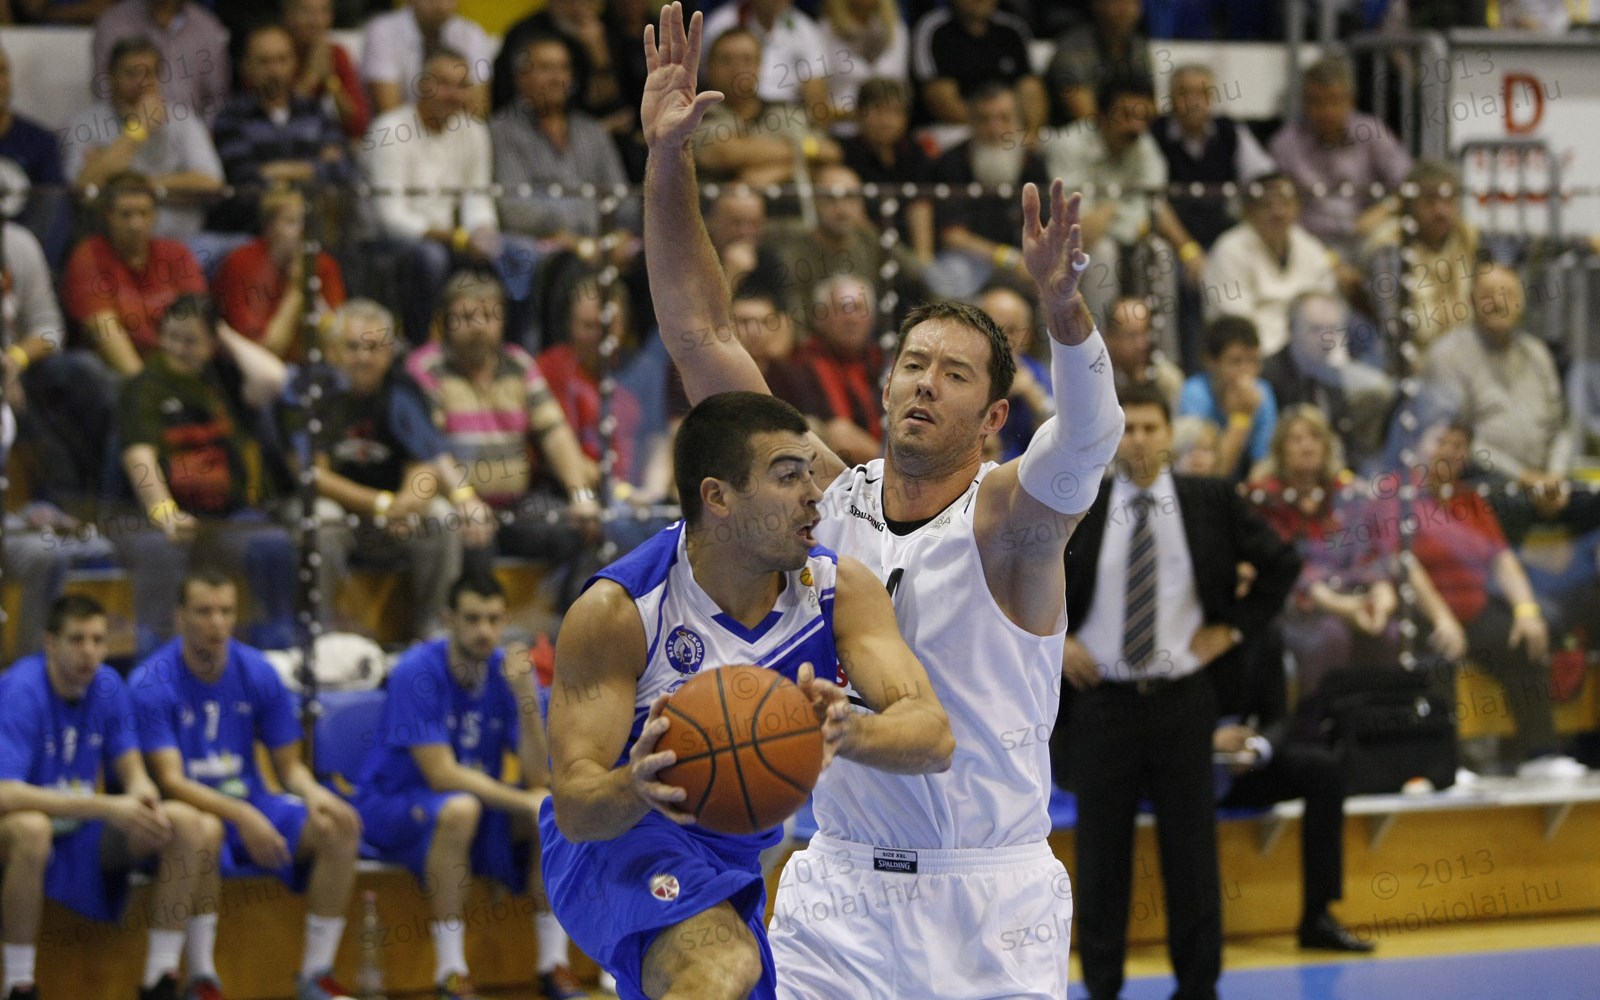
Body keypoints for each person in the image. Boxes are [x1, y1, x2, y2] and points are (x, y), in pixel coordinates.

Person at [639, 7, 1124, 995]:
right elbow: (700, 336)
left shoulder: (1009, 523)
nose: (923, 383)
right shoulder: (820, 495)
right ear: (884, 382)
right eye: (912, 363)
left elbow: (1087, 439)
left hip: (986, 898)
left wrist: (1063, 309)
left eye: (953, 373)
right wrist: (667, 159)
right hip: (839, 894)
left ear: (993, 415)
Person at [542, 389, 954, 1000]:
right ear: (718, 497)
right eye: (788, 477)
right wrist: (635, 785)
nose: (815, 494)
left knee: (735, 976)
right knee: (722, 965)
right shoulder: (621, 611)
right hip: (618, 840)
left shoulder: (838, 589)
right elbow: (575, 811)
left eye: (811, 473)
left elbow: (934, 736)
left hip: (733, 853)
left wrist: (849, 729)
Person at [1057, 382, 1301, 1000]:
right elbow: (1028, 577)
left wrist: (1232, 630)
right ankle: (1101, 988)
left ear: (1170, 434)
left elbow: (1282, 564)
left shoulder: (1209, 499)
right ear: (1113, 436)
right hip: (1103, 700)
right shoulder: (1081, 502)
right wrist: (1056, 640)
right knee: (1101, 856)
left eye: (1151, 428)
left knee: (1191, 852)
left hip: (1183, 697)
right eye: (1129, 429)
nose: (1139, 440)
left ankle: (1198, 988)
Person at [129, 570, 362, 1000]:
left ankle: (316, 975)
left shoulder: (257, 670)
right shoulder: (151, 680)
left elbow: (290, 767)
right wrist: (242, 814)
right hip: (191, 812)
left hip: (251, 800)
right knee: (204, 830)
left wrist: (316, 794)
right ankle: (201, 977)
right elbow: (170, 781)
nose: (217, 623)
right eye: (204, 611)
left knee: (340, 826)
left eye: (226, 611)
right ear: (180, 618)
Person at [353, 574, 582, 1000]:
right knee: (463, 809)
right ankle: (451, 971)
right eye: (473, 619)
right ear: (449, 619)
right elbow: (441, 774)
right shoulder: (416, 671)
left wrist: (526, 697)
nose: (484, 631)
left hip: (471, 806)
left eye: (493, 620)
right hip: (392, 803)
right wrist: (524, 801)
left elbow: (537, 776)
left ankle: (554, 964)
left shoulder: (505, 673)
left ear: (505, 620)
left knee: (547, 812)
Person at [0, 595, 224, 1000]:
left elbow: (133, 771)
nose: (88, 651)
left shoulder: (107, 684)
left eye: (98, 640)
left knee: (187, 822)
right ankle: (18, 983)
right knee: (33, 829)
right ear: (50, 643)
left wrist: (144, 800)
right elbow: (5, 792)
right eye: (76, 639)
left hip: (81, 827)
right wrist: (105, 806)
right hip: (22, 829)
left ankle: (160, 979)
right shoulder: (21, 688)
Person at [114, 292, 296, 654]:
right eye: (171, 337)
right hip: (154, 520)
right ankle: (158, 657)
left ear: (212, 343)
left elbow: (274, 379)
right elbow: (139, 457)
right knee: (161, 550)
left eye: (191, 340)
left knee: (274, 544)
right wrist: (163, 510)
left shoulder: (223, 379)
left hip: (225, 519)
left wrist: (222, 332)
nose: (178, 348)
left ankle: (276, 652)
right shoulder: (143, 386)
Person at [404, 269, 599, 605]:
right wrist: (464, 498)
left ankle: (566, 625)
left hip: (516, 506)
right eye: (466, 317)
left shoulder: (519, 364)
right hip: (459, 507)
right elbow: (430, 448)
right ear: (445, 322)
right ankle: (471, 632)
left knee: (582, 526)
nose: (478, 326)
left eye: (488, 316)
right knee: (472, 538)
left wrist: (580, 494)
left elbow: (554, 433)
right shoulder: (425, 368)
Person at [293, 298, 463, 640]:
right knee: (322, 517)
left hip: (392, 519)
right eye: (353, 347)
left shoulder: (404, 389)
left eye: (373, 348)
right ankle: (317, 634)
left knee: (441, 516)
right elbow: (314, 475)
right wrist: (382, 503)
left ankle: (435, 632)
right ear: (332, 351)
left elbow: (425, 462)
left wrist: (410, 501)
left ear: (388, 353)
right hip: (342, 514)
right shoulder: (313, 392)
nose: (364, 358)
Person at [1420, 265, 1571, 492]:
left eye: (1508, 295)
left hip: (1545, 484)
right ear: (1471, 300)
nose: (1499, 303)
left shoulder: (1537, 353)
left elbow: (1560, 428)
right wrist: (1523, 477)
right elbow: (1452, 442)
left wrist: (1555, 476)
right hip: (1481, 484)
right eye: (1488, 295)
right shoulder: (1448, 355)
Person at [62, 35, 225, 243]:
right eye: (131, 74)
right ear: (111, 78)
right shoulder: (85, 125)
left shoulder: (183, 120)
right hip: (111, 245)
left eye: (149, 73)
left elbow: (212, 184)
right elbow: (82, 191)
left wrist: (136, 186)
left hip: (183, 243)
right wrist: (137, 130)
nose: (141, 83)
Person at [207, 23, 353, 234]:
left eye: (282, 60)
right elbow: (244, 178)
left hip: (314, 227)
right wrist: (313, 168)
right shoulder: (230, 118)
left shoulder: (314, 111)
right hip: (252, 231)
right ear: (246, 67)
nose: (274, 70)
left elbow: (342, 169)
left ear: (295, 63)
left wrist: (273, 170)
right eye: (264, 62)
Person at [61, 171, 207, 375]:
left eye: (143, 213)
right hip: (117, 370)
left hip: (175, 365)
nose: (136, 224)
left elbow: (197, 322)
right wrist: (145, 387)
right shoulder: (89, 256)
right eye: (126, 214)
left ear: (155, 215)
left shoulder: (176, 253)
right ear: (108, 215)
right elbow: (104, 330)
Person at [1268, 57, 1412, 262]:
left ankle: (1386, 284)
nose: (1327, 110)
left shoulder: (1372, 132)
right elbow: (1276, 202)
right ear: (1305, 103)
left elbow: (1410, 183)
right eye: (1317, 102)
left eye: (1334, 100)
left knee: (1390, 243)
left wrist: (1384, 209)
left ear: (1350, 100)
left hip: (1365, 233)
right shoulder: (1285, 144)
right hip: (1308, 241)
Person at [925, 83, 1051, 298]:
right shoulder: (951, 162)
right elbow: (952, 236)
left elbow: (1046, 225)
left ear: (1018, 121)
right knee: (951, 273)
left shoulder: (1032, 163)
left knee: (1054, 276)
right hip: (972, 259)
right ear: (971, 123)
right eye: (984, 119)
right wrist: (1008, 258)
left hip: (1025, 261)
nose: (994, 129)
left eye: (1004, 118)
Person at [1201, 173, 1340, 358]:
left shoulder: (1310, 246)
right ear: (1248, 211)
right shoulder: (1228, 249)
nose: (1278, 212)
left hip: (1305, 349)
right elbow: (1235, 320)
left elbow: (1325, 307)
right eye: (1267, 205)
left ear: (1297, 208)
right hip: (1254, 353)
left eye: (1285, 203)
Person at [1362, 158, 1479, 366]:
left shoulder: (1468, 238)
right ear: (1410, 204)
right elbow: (1392, 327)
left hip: (1469, 359)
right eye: (1430, 201)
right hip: (1415, 364)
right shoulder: (1390, 247)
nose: (1440, 211)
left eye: (1448, 200)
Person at [689, 28, 841, 187]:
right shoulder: (697, 114)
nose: (737, 68)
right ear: (709, 67)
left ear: (759, 66)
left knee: (839, 179)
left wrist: (780, 172)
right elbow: (724, 153)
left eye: (747, 60)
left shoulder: (781, 111)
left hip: (786, 194)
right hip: (716, 198)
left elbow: (830, 151)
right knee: (743, 199)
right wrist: (803, 151)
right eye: (726, 60)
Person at [210, 185, 347, 360]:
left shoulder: (324, 264)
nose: (302, 231)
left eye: (307, 222)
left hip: (312, 365)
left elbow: (338, 339)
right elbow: (262, 351)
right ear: (269, 227)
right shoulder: (242, 262)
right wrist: (297, 289)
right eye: (291, 222)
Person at [910, 0, 1047, 131]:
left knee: (1031, 86)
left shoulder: (1013, 28)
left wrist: (1028, 134)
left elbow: (1031, 87)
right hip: (955, 127)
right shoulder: (933, 28)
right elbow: (937, 96)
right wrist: (987, 125)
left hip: (1009, 125)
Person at [91, 0, 231, 125]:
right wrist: (136, 127)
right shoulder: (113, 23)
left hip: (188, 133)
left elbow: (217, 99)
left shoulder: (207, 27)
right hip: (119, 129)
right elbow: (104, 91)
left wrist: (200, 133)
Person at [1178, 316, 1278, 482]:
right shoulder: (1194, 394)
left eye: (1252, 361)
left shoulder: (1262, 393)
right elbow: (1211, 474)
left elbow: (1264, 463)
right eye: (1235, 362)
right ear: (1211, 361)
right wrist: (1241, 416)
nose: (1246, 372)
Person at [360, 0, 492, 116]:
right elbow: (388, 109)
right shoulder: (383, 30)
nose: (441, 6)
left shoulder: (471, 34)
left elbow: (479, 109)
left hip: (453, 128)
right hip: (400, 129)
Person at [702, 0, 831, 115]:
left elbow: (817, 96)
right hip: (729, 110)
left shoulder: (805, 30)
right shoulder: (720, 24)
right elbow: (704, 78)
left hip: (787, 114)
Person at [978, 282, 1054, 461]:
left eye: (1011, 330)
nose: (1002, 338)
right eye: (992, 326)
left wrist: (1032, 395)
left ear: (1027, 336)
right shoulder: (959, 368)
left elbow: (1060, 443)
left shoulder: (1038, 374)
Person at [1045, 0, 1150, 124]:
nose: (1126, 10)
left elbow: (1149, 104)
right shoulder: (1073, 47)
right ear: (1098, 5)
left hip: (1125, 128)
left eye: (1132, 3)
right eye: (1118, 3)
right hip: (1074, 130)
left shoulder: (1138, 46)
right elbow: (1085, 113)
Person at [816, 0, 911, 136]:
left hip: (888, 131)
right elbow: (816, 99)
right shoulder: (824, 30)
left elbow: (900, 90)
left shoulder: (897, 30)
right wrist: (860, 115)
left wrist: (885, 118)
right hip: (841, 129)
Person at [283, 0, 370, 140]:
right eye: (307, 12)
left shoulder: (334, 54)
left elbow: (358, 125)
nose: (317, 22)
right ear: (288, 16)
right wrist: (311, 78)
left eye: (324, 12)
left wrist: (330, 80)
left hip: (321, 141)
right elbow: (277, 122)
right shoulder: (275, 54)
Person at [1104, 295, 1182, 409]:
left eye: (1145, 332)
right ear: (1109, 338)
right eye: (1131, 335)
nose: (1142, 344)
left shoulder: (1166, 380)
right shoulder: (1098, 379)